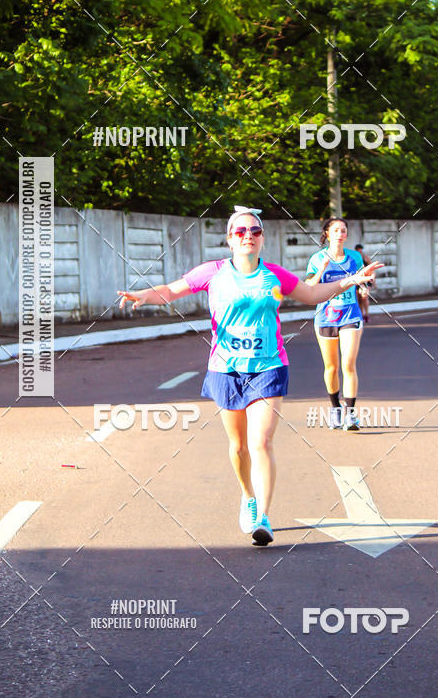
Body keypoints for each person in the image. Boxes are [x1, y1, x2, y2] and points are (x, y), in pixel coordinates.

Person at [118, 206, 383, 547]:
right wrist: (143, 295)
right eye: (240, 231)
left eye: (254, 231)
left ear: (262, 239)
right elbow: (171, 291)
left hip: (268, 366)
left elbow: (311, 294)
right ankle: (248, 496)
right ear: (230, 239)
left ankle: (264, 518)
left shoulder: (274, 275)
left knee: (262, 442)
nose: (248, 236)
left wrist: (351, 279)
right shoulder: (212, 273)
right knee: (239, 446)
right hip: (226, 368)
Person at [306, 219, 369, 431]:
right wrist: (321, 270)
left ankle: (351, 415)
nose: (340, 233)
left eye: (343, 230)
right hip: (325, 316)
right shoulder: (317, 258)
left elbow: (361, 278)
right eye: (336, 230)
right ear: (327, 233)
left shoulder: (354, 257)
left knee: (348, 365)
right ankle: (335, 409)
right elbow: (308, 287)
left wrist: (364, 286)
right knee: (331, 368)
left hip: (350, 314)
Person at [354, 243, 374, 323]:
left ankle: (367, 314)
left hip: (365, 280)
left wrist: (372, 279)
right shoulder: (354, 259)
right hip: (358, 280)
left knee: (365, 297)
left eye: (360, 250)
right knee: (359, 299)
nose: (359, 252)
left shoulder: (365, 258)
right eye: (358, 250)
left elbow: (371, 268)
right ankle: (361, 315)